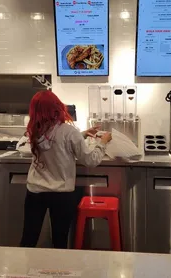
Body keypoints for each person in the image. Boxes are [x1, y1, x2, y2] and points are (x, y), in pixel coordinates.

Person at [20, 90, 112, 249]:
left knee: (29, 238)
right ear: (57, 107)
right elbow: (90, 160)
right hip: (61, 194)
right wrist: (102, 142)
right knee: (60, 240)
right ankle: (59, 272)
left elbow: (54, 140)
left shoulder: (33, 131)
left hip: (35, 192)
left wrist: (81, 135)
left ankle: (22, 271)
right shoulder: (69, 132)